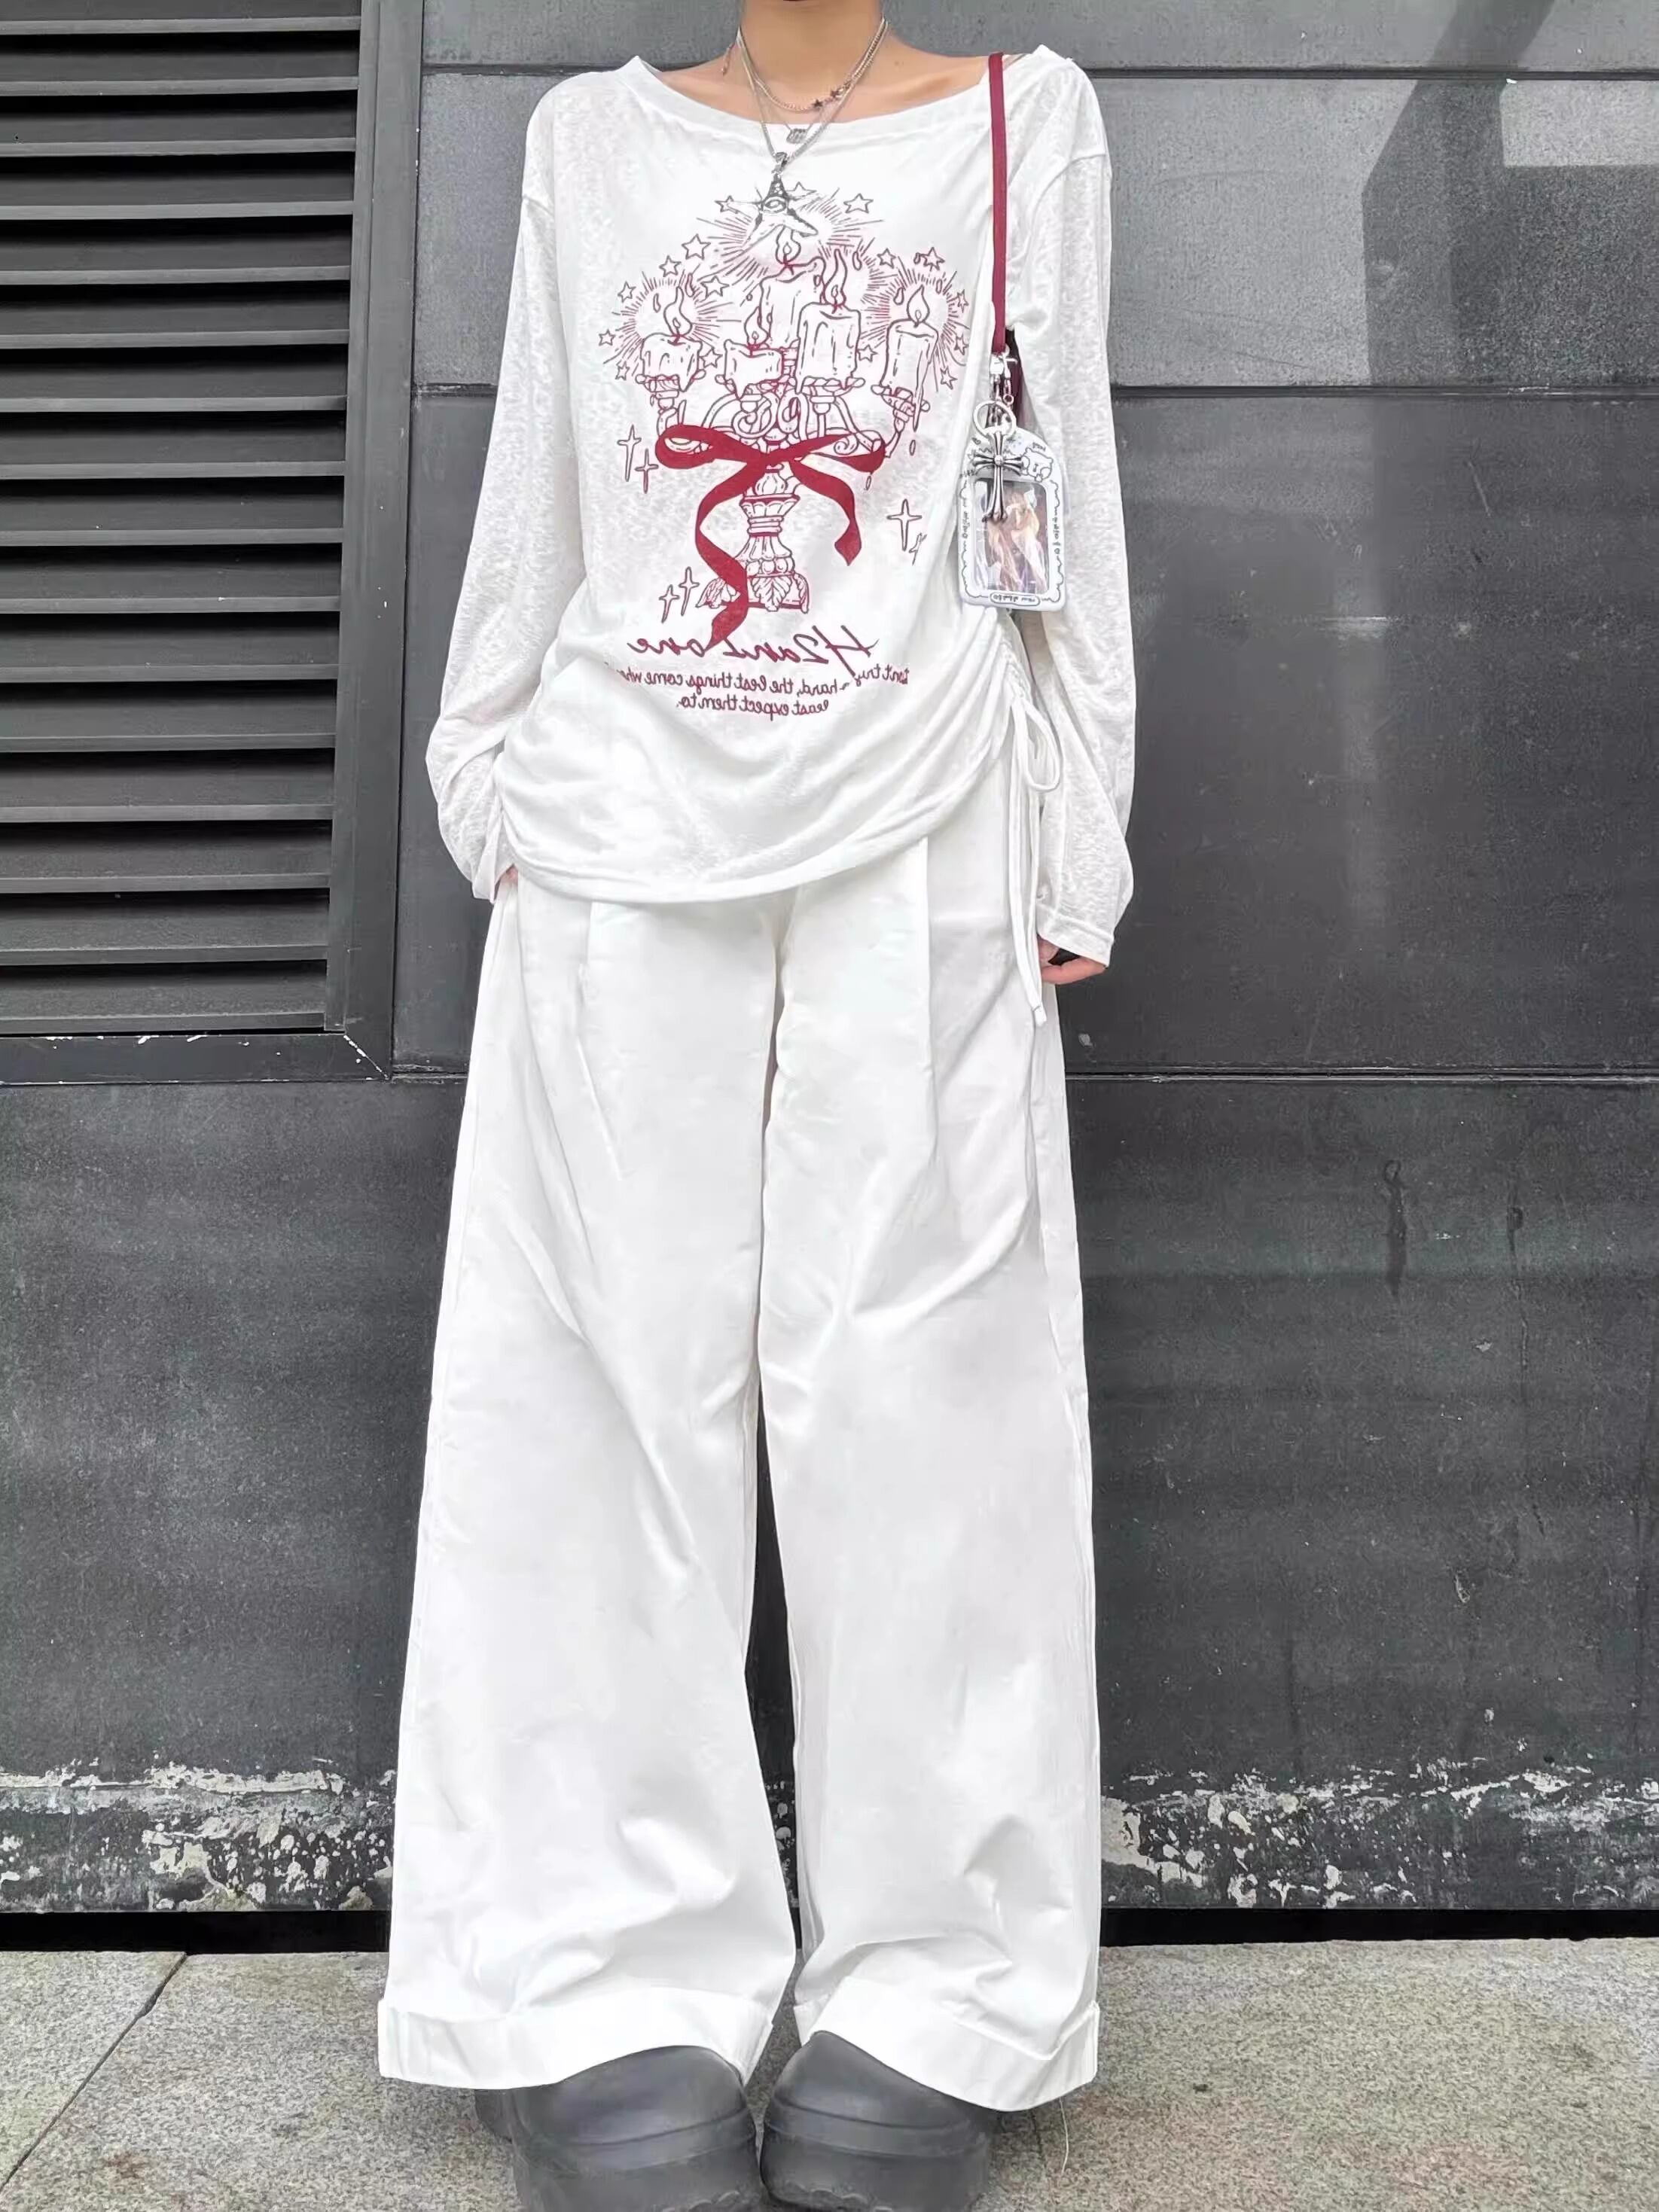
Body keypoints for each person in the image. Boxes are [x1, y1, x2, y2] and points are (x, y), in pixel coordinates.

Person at [379, 6, 1136, 2210]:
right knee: (592, 1393)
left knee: (932, 1397)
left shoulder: (1026, 119)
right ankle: (595, 1980)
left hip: (928, 814)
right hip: (619, 818)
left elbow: (1057, 487)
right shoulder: (587, 139)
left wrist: (1075, 825)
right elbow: (548, 471)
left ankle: (941, 1993)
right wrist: (492, 764)